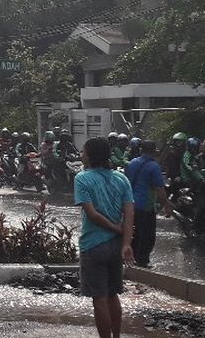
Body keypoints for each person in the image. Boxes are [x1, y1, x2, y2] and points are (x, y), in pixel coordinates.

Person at [74, 137, 135, 338]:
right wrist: (126, 242)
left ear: (90, 156)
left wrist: (115, 229)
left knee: (99, 299)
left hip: (93, 245)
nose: (81, 155)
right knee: (112, 295)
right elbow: (129, 213)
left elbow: (92, 215)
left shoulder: (82, 178)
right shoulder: (121, 178)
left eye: (83, 151)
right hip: (117, 247)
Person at [125, 140, 172, 268]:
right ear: (153, 151)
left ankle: (131, 259)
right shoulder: (153, 166)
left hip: (131, 204)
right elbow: (159, 189)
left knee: (134, 232)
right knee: (148, 235)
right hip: (146, 206)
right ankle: (142, 261)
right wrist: (166, 205)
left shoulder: (132, 163)